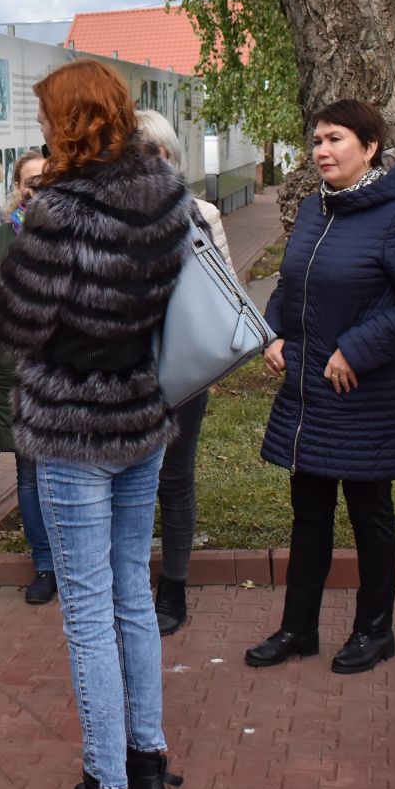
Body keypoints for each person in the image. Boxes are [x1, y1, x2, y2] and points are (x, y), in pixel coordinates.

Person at [0, 60, 193, 789]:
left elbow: (9, 321)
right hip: (141, 410)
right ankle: (147, 767)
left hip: (72, 428)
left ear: (69, 122)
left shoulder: (60, 210)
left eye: (47, 116)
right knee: (133, 592)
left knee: (88, 613)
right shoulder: (166, 195)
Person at [246, 101, 395, 676]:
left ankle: (374, 630)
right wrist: (277, 330)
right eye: (316, 141)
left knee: (369, 513)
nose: (322, 151)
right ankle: (297, 628)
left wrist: (357, 347)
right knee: (308, 512)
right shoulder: (314, 209)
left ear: (371, 146)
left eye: (335, 139)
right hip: (309, 390)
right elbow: (293, 280)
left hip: (368, 395)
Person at [132, 111, 231, 635]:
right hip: (122, 372)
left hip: (183, 368)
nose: (149, 165)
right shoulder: (108, 216)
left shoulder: (201, 213)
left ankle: (173, 586)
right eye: (137, 153)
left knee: (173, 479)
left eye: (157, 154)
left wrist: (213, 359)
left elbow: (227, 292)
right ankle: (125, 582)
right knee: (124, 479)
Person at [0, 150, 53, 604]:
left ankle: (74, 558)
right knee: (28, 476)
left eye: (45, 181)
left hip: (67, 379)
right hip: (16, 375)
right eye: (29, 182)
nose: (37, 189)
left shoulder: (75, 233)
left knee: (72, 474)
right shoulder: (2, 240)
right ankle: (44, 563)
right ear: (18, 187)